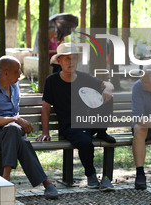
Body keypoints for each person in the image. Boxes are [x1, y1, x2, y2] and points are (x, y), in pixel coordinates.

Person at [36, 43, 116, 191]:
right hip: (70, 126)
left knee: (108, 96)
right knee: (85, 141)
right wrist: (45, 132)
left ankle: (102, 131)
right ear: (59, 61)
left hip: (89, 121)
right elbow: (46, 108)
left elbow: (107, 85)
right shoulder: (52, 81)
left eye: (74, 58)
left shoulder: (84, 78)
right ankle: (91, 175)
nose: (71, 62)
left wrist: (109, 88)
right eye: (67, 58)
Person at [0, 55, 58, 199]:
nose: (20, 73)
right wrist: (16, 119)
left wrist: (16, 121)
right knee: (17, 135)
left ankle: (6, 179)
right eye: (17, 70)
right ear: (6, 73)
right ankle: (46, 183)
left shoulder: (14, 85)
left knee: (13, 130)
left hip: (12, 130)